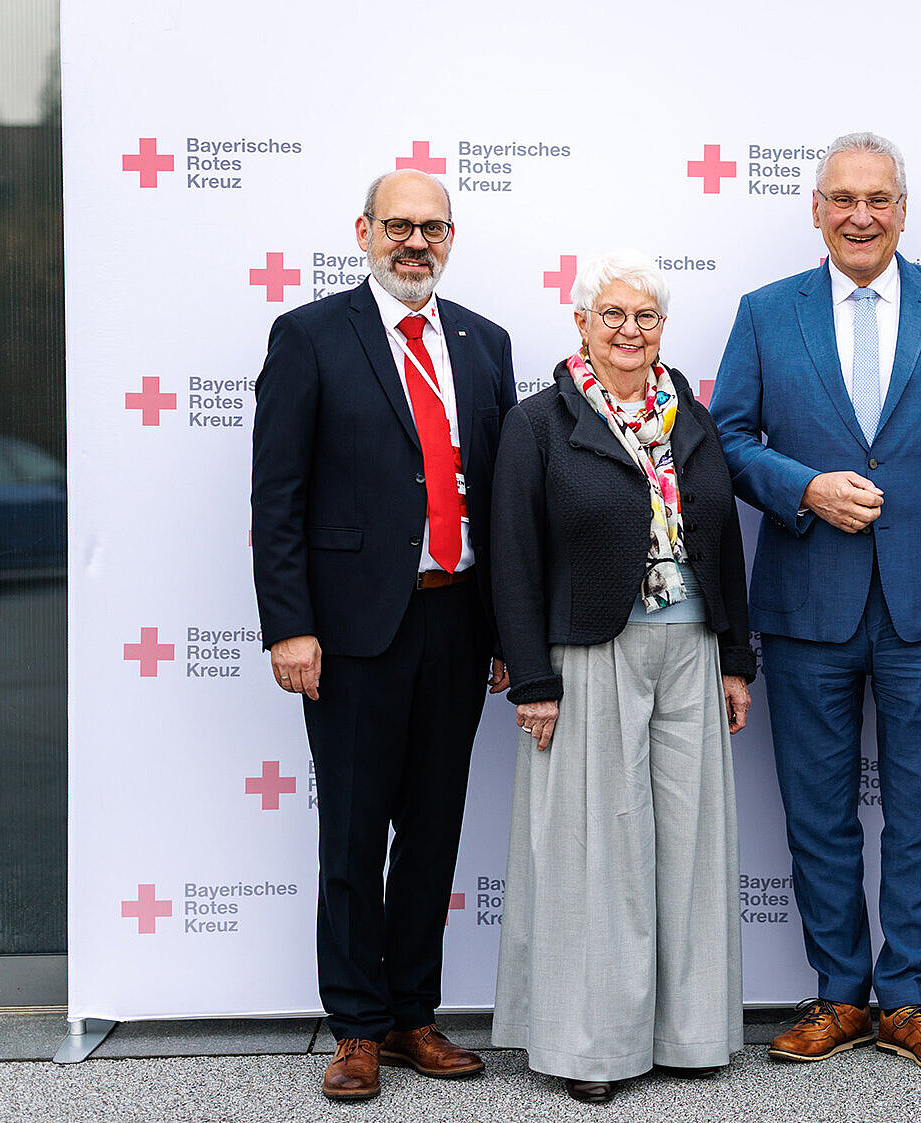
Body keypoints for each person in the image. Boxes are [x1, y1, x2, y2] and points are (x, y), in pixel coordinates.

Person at [710, 131, 921, 1073]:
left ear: (903, 210)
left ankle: (911, 997)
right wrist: (804, 487)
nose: (860, 215)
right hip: (808, 602)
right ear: (815, 210)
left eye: (877, 198)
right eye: (842, 199)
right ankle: (841, 993)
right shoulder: (766, 312)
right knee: (818, 811)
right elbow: (726, 441)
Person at [250, 169, 517, 1101]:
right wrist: (290, 626)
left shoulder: (484, 342)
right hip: (353, 630)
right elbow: (277, 496)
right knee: (356, 834)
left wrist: (505, 633)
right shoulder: (310, 336)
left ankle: (412, 1015)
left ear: (451, 237)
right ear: (363, 230)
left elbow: (500, 500)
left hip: (457, 619)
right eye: (398, 224)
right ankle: (356, 1026)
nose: (415, 242)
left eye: (432, 227)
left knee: (434, 832)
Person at [488, 251, 754, 1104]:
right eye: (612, 314)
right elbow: (513, 556)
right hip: (588, 652)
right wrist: (532, 679)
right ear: (581, 323)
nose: (629, 331)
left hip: (692, 646)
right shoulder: (538, 423)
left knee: (692, 844)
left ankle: (689, 1032)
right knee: (597, 850)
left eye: (645, 316)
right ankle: (592, 1047)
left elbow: (724, 539)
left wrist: (736, 659)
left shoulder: (692, 417)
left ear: (662, 327)